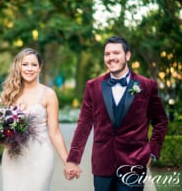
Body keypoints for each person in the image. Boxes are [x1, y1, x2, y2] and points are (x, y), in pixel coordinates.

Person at [64, 36, 169, 191]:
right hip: (102, 164)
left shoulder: (146, 86)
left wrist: (152, 152)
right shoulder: (93, 86)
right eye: (107, 54)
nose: (111, 58)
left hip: (134, 163)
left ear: (127, 55)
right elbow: (84, 125)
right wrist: (73, 159)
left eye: (116, 53)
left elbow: (161, 121)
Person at [0, 47, 68, 191]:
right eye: (25, 64)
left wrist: (68, 162)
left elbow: (55, 132)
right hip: (13, 155)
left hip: (40, 156)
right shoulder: (9, 94)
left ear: (40, 68)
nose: (29, 69)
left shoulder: (49, 94)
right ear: (18, 66)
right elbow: (5, 129)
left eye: (34, 65)